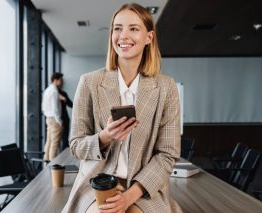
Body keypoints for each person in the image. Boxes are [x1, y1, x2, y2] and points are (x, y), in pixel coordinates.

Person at [62, 3, 181, 213]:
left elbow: (167, 155)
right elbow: (76, 145)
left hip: (142, 188)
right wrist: (105, 137)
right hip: (96, 185)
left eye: (133, 29)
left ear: (148, 38)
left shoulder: (166, 87)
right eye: (117, 28)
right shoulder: (89, 82)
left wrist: (128, 197)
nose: (123, 35)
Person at [42, 73, 64, 161]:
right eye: (61, 80)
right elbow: (55, 109)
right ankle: (53, 168)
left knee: (48, 143)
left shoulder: (47, 90)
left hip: (48, 118)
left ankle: (46, 165)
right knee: (54, 144)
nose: (62, 82)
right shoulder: (54, 91)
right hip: (55, 120)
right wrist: (60, 121)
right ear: (55, 80)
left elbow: (43, 107)